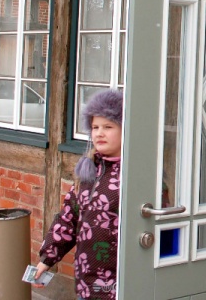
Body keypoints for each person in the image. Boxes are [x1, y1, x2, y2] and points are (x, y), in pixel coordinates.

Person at [33, 90, 123, 299]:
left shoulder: (137, 175)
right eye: (95, 127)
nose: (99, 133)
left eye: (108, 127)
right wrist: (46, 260)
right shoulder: (88, 171)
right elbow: (68, 219)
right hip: (87, 281)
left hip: (122, 282)